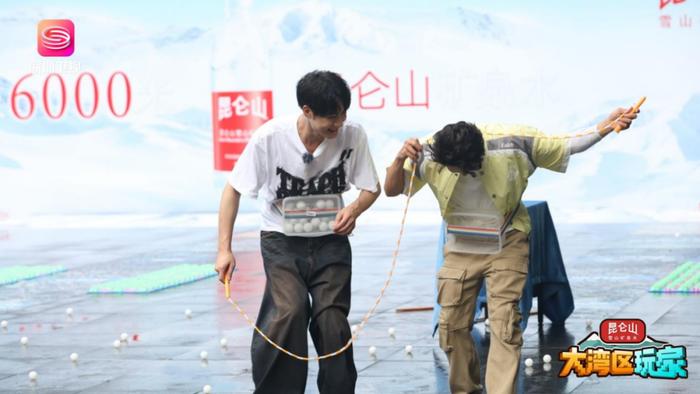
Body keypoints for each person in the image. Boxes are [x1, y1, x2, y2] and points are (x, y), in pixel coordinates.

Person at [384, 107, 639, 394]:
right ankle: (465, 389)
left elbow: (570, 144)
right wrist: (399, 159)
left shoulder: (514, 143)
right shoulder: (430, 151)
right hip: (461, 245)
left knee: (505, 323)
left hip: (507, 239)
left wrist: (605, 126)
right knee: (451, 326)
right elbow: (393, 190)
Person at [215, 70, 381, 394]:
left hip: (330, 238)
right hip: (281, 238)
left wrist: (354, 209)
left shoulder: (353, 135)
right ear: (307, 111)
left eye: (344, 113)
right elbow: (232, 190)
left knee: (331, 320)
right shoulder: (270, 138)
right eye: (332, 117)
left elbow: (371, 188)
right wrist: (225, 249)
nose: (340, 123)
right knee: (289, 311)